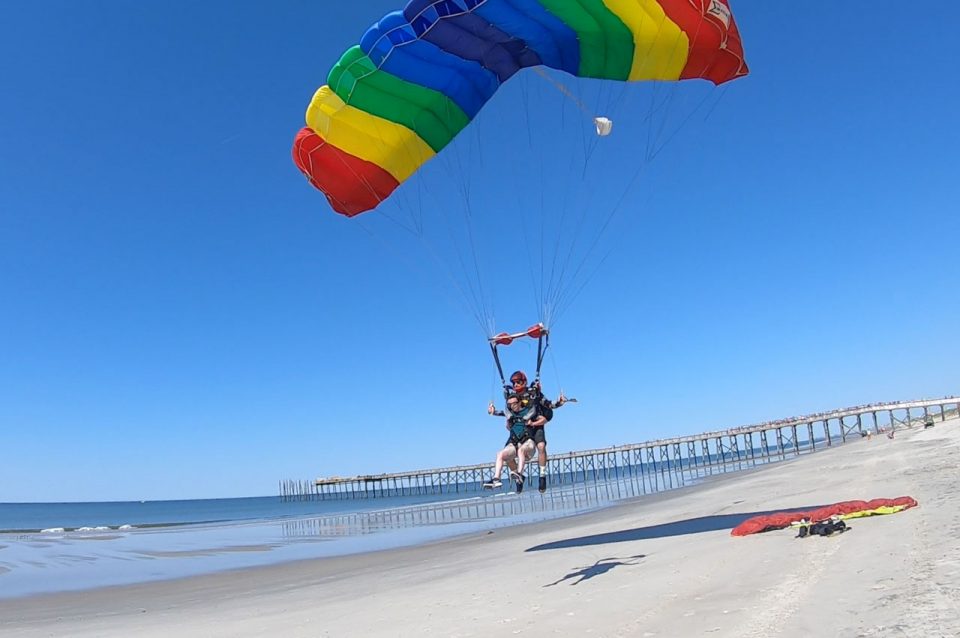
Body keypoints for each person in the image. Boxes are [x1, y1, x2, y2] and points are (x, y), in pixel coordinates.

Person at [503, 370, 568, 493]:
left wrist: (559, 402)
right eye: (513, 383)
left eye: (518, 382)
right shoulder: (511, 397)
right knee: (507, 456)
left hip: (536, 425)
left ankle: (542, 476)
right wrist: (493, 411)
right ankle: (519, 478)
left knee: (541, 446)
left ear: (524, 381)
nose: (516, 385)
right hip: (520, 428)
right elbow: (506, 412)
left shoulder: (534, 393)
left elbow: (548, 404)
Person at [483, 394, 536, 491]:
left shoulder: (529, 410)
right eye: (510, 404)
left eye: (514, 403)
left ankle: (519, 474)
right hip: (514, 443)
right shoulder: (509, 414)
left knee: (521, 450)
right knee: (500, 454)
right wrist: (491, 410)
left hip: (528, 443)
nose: (512, 406)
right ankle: (496, 479)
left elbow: (547, 408)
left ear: (520, 402)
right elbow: (496, 412)